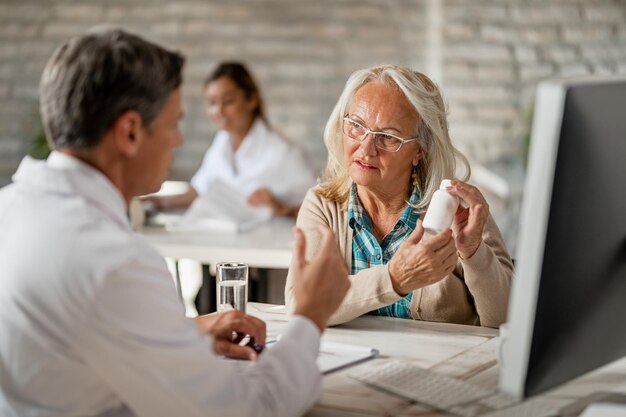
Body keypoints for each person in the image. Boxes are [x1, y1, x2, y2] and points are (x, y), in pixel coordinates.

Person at [0, 28, 350, 417]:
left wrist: (185, 333)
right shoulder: (116, 262)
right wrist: (310, 317)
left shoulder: (9, 210)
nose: (180, 140)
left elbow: (77, 335)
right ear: (130, 132)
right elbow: (249, 409)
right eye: (173, 124)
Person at [285, 65, 513, 328]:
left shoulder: (459, 212)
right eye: (356, 126)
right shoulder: (323, 204)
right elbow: (302, 306)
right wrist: (395, 278)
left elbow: (507, 322)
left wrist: (474, 252)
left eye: (387, 137)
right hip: (355, 366)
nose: (367, 148)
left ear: (420, 151)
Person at [146, 62, 316, 218]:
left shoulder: (284, 153)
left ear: (251, 100)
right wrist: (156, 202)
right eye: (212, 103)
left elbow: (320, 210)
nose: (219, 111)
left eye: (228, 101)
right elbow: (199, 190)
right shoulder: (221, 143)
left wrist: (282, 209)